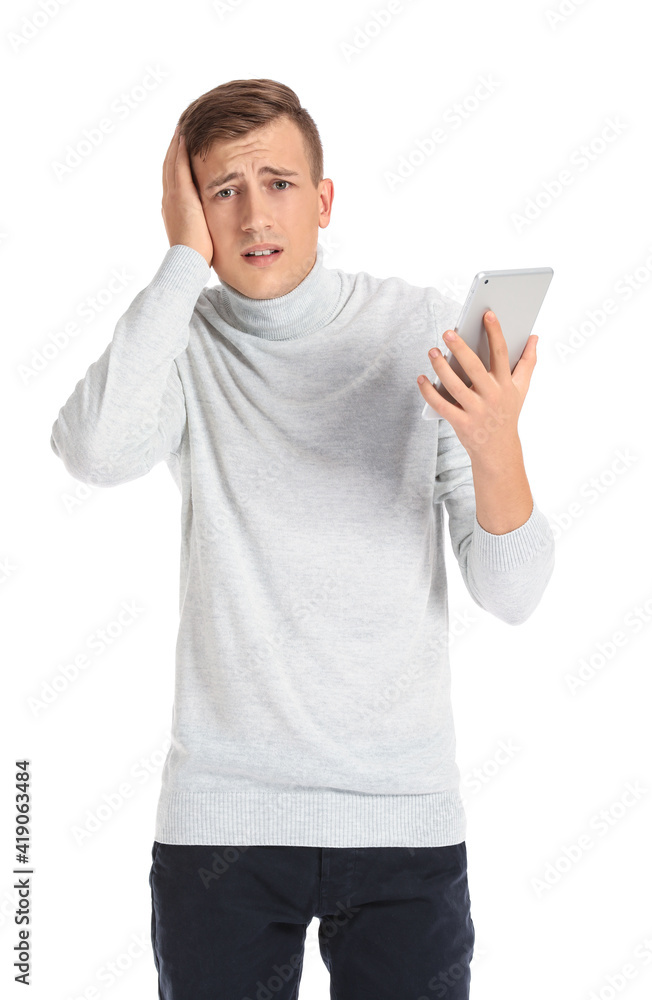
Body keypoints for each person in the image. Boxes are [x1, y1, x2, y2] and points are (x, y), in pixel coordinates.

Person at [50, 77, 555, 999]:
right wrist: (176, 265)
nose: (254, 215)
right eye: (222, 190)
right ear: (192, 213)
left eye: (279, 183)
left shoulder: (418, 329)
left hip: (404, 825)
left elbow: (512, 594)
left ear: (324, 201)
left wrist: (497, 448)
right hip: (221, 833)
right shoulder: (182, 342)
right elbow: (91, 450)